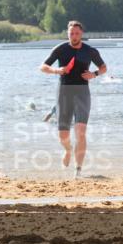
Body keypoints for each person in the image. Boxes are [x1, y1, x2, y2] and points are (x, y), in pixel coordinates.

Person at [40, 21, 107, 176]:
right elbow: (43, 66)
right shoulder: (61, 49)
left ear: (81, 34)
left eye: (77, 33)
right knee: (63, 135)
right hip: (64, 92)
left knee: (81, 131)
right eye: (71, 33)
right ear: (68, 34)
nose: (74, 36)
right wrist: (57, 70)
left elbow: (103, 67)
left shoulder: (90, 51)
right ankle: (68, 150)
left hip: (83, 92)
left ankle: (78, 171)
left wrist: (94, 74)